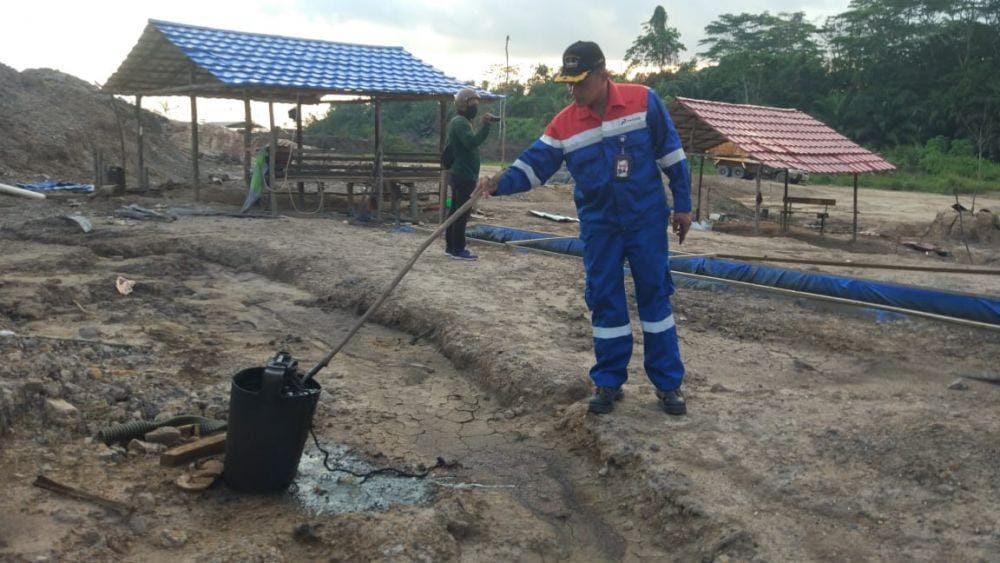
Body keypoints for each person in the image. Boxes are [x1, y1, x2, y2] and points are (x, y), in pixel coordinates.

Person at [478, 41, 692, 415]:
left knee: (655, 300)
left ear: (601, 74)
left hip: (645, 221)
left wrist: (684, 206)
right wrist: (500, 182)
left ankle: (668, 385)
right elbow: (534, 166)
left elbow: (672, 154)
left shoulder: (644, 101)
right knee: (605, 301)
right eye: (568, 83)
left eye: (579, 82)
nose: (572, 90)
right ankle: (608, 382)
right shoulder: (565, 123)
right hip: (600, 227)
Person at [445, 88, 497, 260]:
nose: (475, 106)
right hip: (463, 175)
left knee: (455, 211)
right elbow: (471, 142)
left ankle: (451, 246)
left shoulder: (461, 122)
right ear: (462, 104)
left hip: (462, 174)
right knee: (461, 213)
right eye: (472, 103)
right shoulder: (459, 122)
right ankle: (458, 249)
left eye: (476, 103)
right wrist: (486, 126)